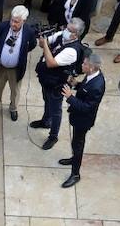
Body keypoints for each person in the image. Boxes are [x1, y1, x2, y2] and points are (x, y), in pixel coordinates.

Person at [31, 17, 85, 151]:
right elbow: (44, 43)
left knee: (56, 110)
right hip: (47, 79)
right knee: (46, 100)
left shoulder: (72, 51)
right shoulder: (62, 35)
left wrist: (45, 46)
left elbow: (51, 62)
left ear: (76, 34)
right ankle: (45, 121)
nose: (65, 31)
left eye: (70, 30)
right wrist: (44, 42)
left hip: (57, 83)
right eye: (66, 28)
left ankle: (53, 136)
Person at [58, 51, 103, 188]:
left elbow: (87, 107)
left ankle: (75, 174)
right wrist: (76, 84)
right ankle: (73, 159)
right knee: (75, 142)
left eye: (84, 64)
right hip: (78, 117)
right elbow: (84, 90)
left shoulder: (97, 85)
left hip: (83, 120)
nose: (81, 65)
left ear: (91, 67)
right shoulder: (90, 76)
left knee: (78, 145)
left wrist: (70, 97)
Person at [0, 7, 37, 122]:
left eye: (16, 21)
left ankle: (13, 108)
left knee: (15, 91)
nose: (13, 24)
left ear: (23, 21)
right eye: (12, 20)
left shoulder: (29, 31)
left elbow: (32, 45)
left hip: (16, 69)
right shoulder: (3, 26)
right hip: (1, 66)